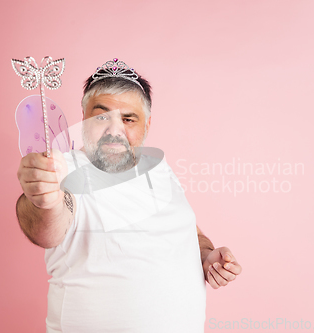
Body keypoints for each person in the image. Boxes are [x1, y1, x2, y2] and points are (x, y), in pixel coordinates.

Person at [15, 58, 242, 332]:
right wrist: (45, 200)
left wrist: (205, 255)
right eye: (101, 117)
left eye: (128, 118)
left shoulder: (158, 167)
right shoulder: (65, 168)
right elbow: (46, 227)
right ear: (84, 117)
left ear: (146, 125)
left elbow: (184, 229)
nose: (114, 130)